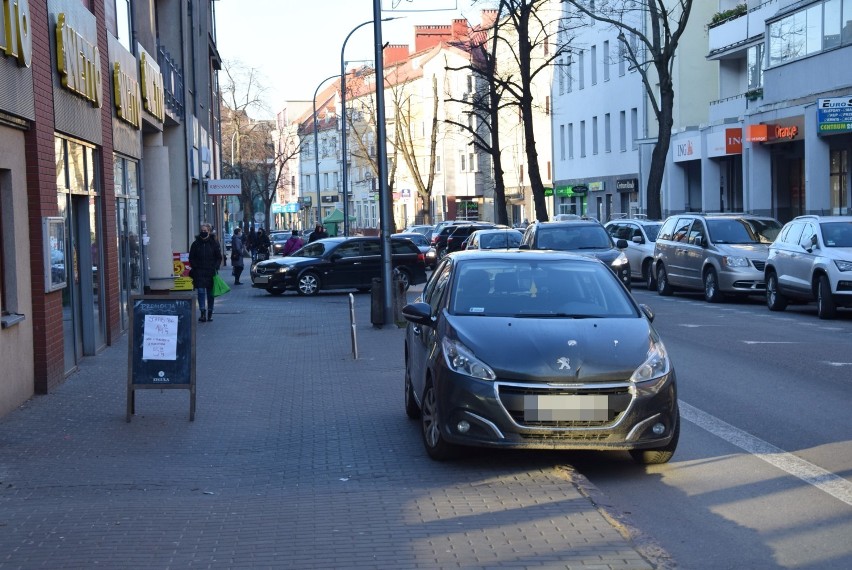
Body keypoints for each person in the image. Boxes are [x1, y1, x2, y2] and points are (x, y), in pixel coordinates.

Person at [189, 222, 222, 322]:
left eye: (205, 231)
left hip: (210, 271)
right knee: (200, 292)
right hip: (199, 272)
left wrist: (215, 267)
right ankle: (202, 312)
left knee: (210, 293)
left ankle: (210, 313)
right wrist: (195, 266)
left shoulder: (214, 243)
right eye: (202, 231)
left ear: (209, 232)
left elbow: (218, 257)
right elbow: (191, 257)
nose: (203, 232)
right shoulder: (196, 244)